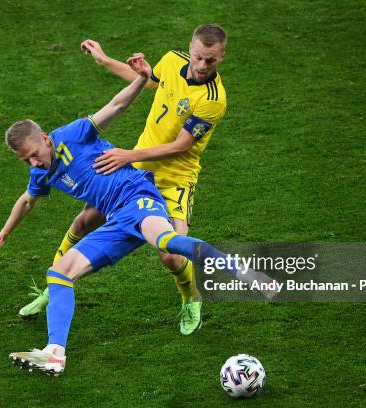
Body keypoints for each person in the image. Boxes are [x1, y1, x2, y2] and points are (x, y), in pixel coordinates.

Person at [0, 55, 264, 376]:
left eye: (35, 156)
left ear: (45, 139)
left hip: (138, 196)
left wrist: (141, 79)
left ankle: (242, 272)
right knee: (58, 272)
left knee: (168, 243)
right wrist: (3, 234)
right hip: (116, 219)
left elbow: (114, 107)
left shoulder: (71, 134)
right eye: (26, 161)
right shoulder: (40, 172)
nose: (34, 165)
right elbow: (26, 201)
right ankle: (54, 354)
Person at [19, 24, 228, 336]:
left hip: (174, 178)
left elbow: (181, 146)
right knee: (82, 223)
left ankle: (191, 298)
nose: (201, 66)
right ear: (190, 47)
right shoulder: (172, 60)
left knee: (170, 255)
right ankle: (55, 285)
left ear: (221, 57)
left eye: (210, 61)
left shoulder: (212, 99)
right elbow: (148, 83)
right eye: (198, 57)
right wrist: (104, 60)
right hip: (135, 170)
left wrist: (129, 154)